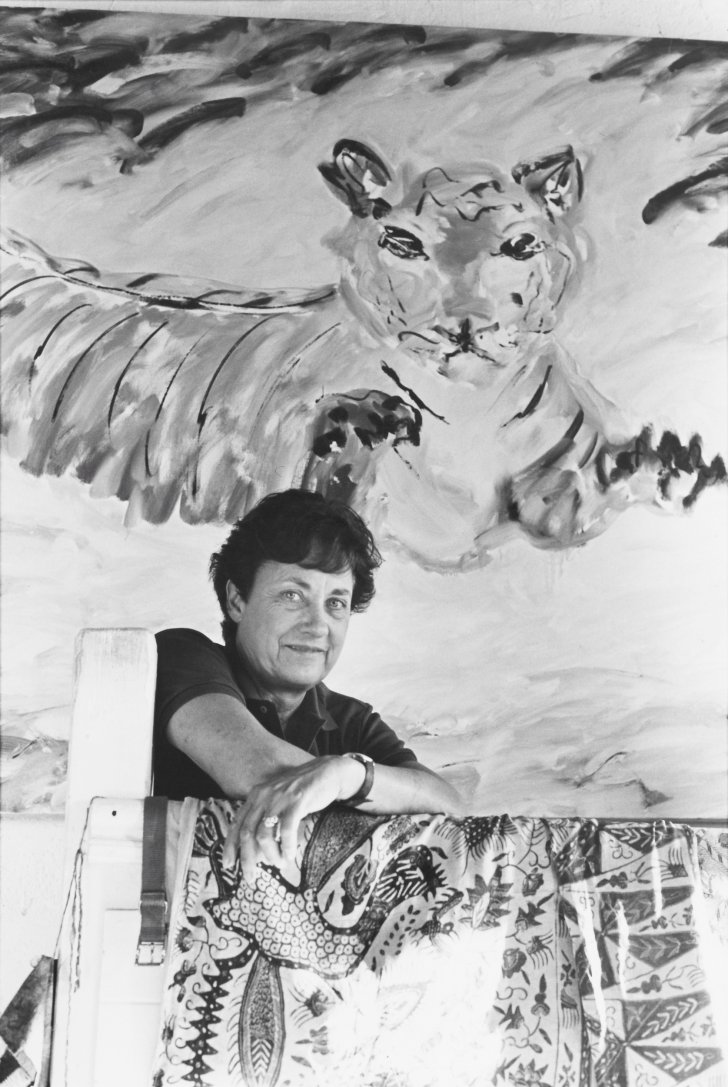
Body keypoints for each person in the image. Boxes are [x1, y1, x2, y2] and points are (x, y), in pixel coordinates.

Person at [154, 489, 462, 881]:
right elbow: (254, 768)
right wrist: (373, 788)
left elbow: (452, 809)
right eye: (292, 595)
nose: (317, 626)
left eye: (336, 603)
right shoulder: (181, 656)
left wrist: (346, 775)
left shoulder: (352, 721)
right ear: (236, 601)